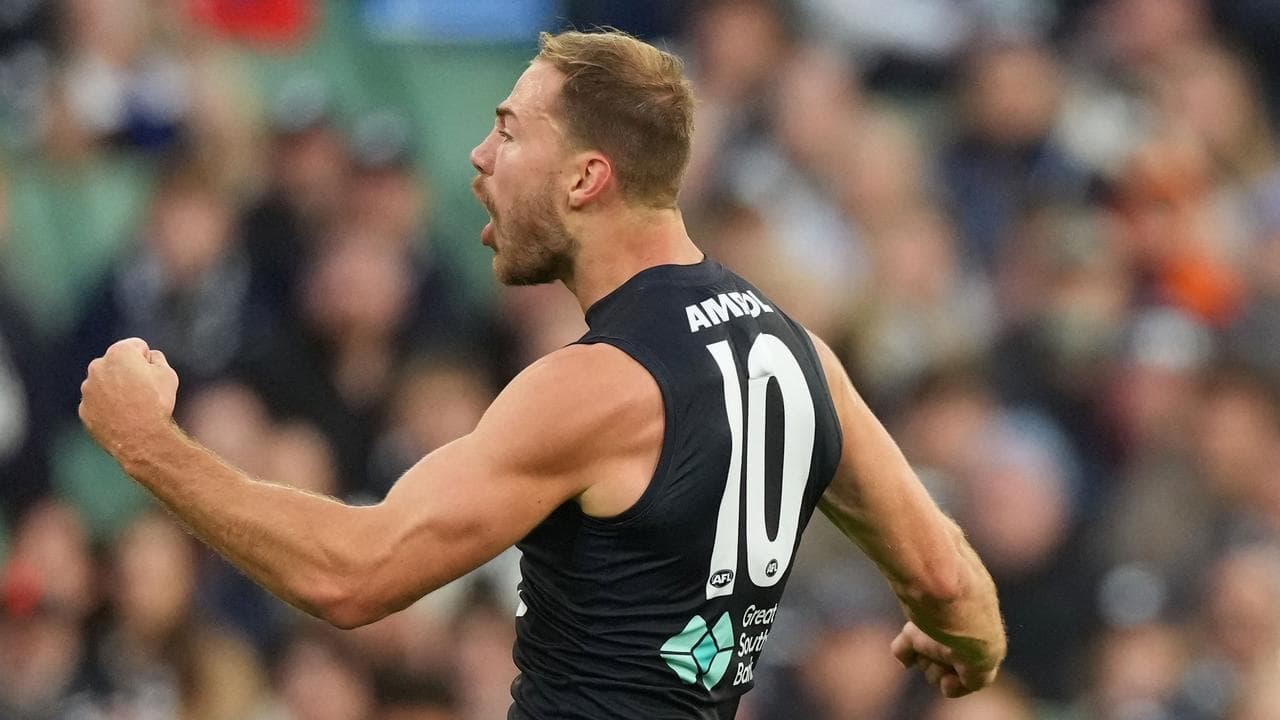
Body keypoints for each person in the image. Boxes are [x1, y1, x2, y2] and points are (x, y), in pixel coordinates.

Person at [77, 29, 1006, 719]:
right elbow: (944, 577)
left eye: (510, 133)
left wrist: (148, 445)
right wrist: (965, 646)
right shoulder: (800, 353)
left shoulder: (598, 387)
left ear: (585, 179)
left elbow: (351, 576)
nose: (479, 159)